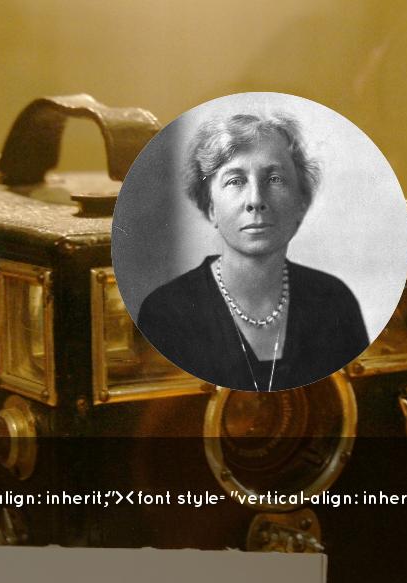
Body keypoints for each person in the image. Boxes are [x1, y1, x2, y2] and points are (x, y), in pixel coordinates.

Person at [136, 112, 370, 391]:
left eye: (274, 179)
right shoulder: (165, 313)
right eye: (235, 181)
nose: (256, 200)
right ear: (210, 207)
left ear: (301, 203)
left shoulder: (334, 302)